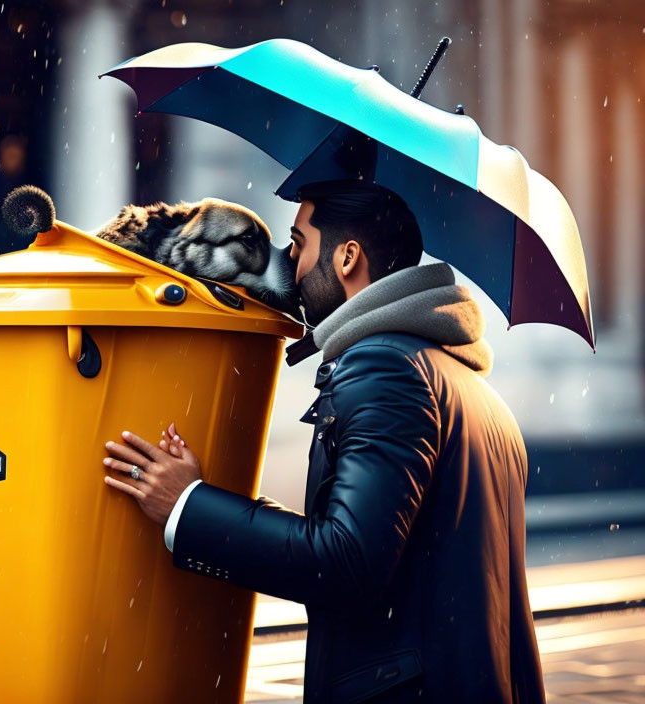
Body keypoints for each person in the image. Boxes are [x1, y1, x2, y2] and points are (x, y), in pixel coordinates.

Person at [102, 179, 546, 704]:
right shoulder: (469, 385)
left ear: (347, 258)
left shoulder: (385, 366)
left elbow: (347, 561)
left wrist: (188, 505)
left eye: (299, 243)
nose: (289, 262)